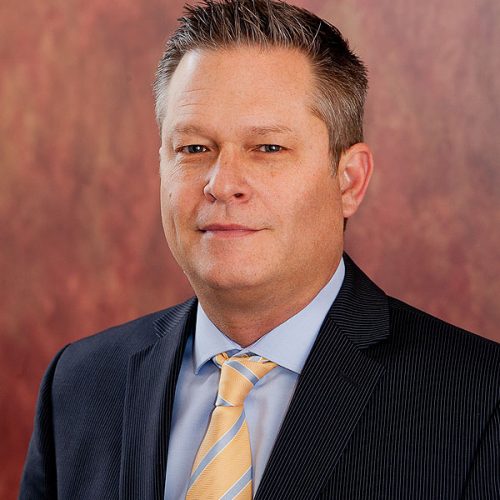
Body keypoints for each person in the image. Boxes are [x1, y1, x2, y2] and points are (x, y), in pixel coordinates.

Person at [20, 0, 499, 499]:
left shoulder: (480, 403)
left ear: (349, 180)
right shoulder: (79, 384)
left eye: (268, 148)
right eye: (194, 148)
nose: (222, 184)